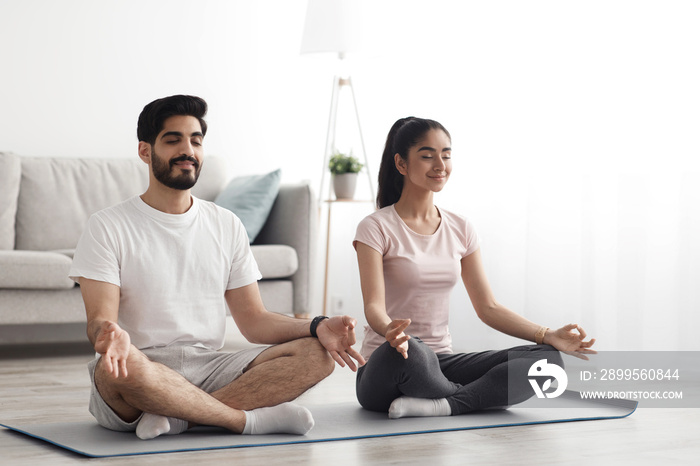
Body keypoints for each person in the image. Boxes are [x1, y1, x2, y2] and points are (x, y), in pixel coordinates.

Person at [69, 95, 365, 440]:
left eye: (196, 140)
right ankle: (243, 421)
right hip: (142, 364)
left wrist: (316, 326)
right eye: (172, 139)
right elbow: (98, 323)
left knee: (318, 356)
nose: (188, 150)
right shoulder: (107, 225)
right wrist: (110, 335)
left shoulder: (226, 224)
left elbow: (255, 321)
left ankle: (178, 418)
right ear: (145, 151)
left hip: (210, 366)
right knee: (117, 369)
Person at [353, 117, 596, 418]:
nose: (440, 164)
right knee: (413, 352)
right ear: (401, 164)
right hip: (391, 363)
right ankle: (472, 397)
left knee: (547, 361)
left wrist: (547, 335)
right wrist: (390, 330)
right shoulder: (375, 227)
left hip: (441, 364)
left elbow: (488, 307)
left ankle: (446, 404)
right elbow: (373, 305)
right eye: (427, 156)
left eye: (446, 154)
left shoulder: (461, 227)